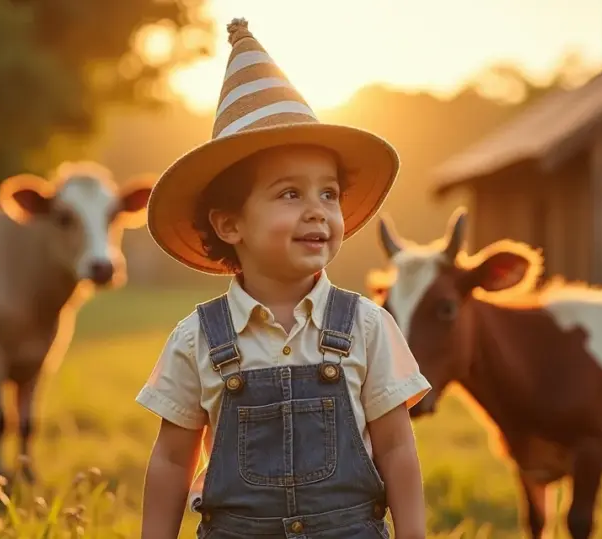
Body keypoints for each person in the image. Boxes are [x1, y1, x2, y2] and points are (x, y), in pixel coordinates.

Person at [136, 17, 431, 539]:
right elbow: (170, 461)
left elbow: (397, 449)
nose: (318, 211)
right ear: (230, 224)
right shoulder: (197, 339)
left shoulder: (367, 326)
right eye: (290, 194)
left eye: (329, 194)